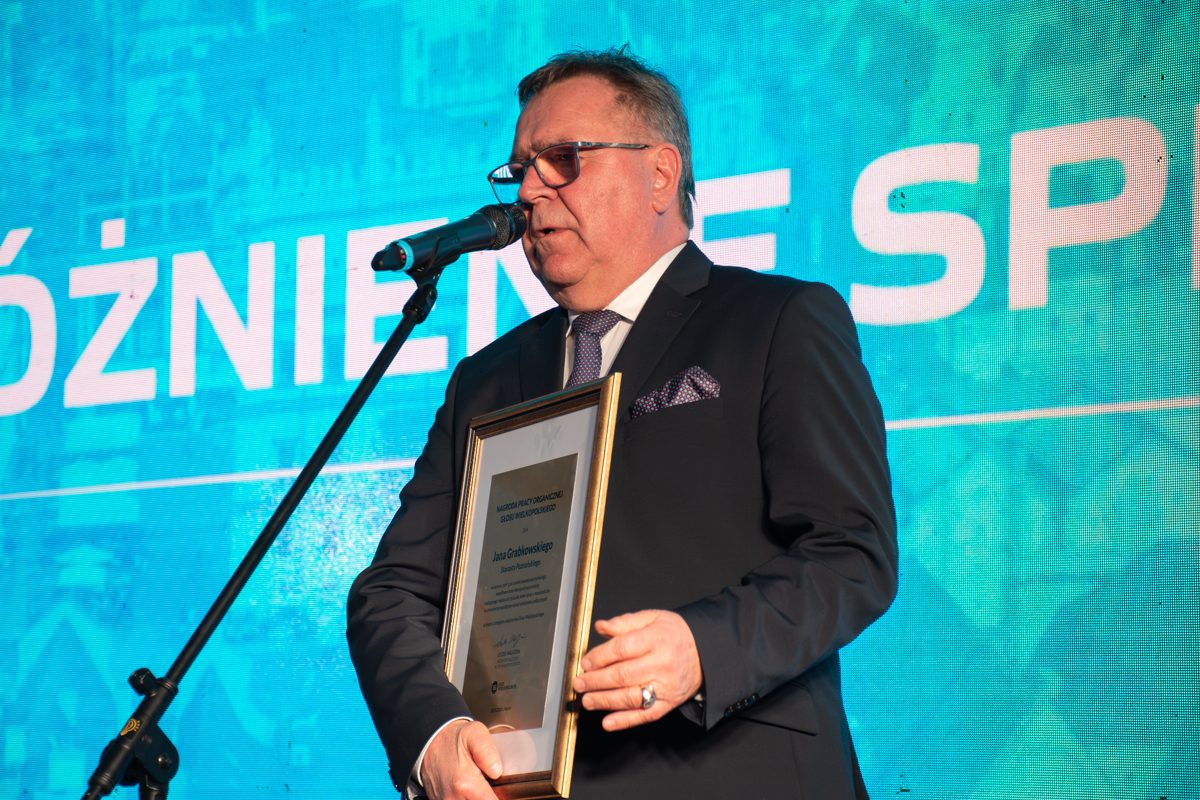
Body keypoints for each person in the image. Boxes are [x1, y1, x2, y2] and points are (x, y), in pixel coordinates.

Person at [347, 47, 897, 799]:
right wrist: (434, 737)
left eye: (563, 159)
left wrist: (704, 647)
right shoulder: (486, 379)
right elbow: (393, 592)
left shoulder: (777, 322)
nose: (530, 191)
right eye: (519, 170)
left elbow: (852, 552)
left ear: (660, 175)